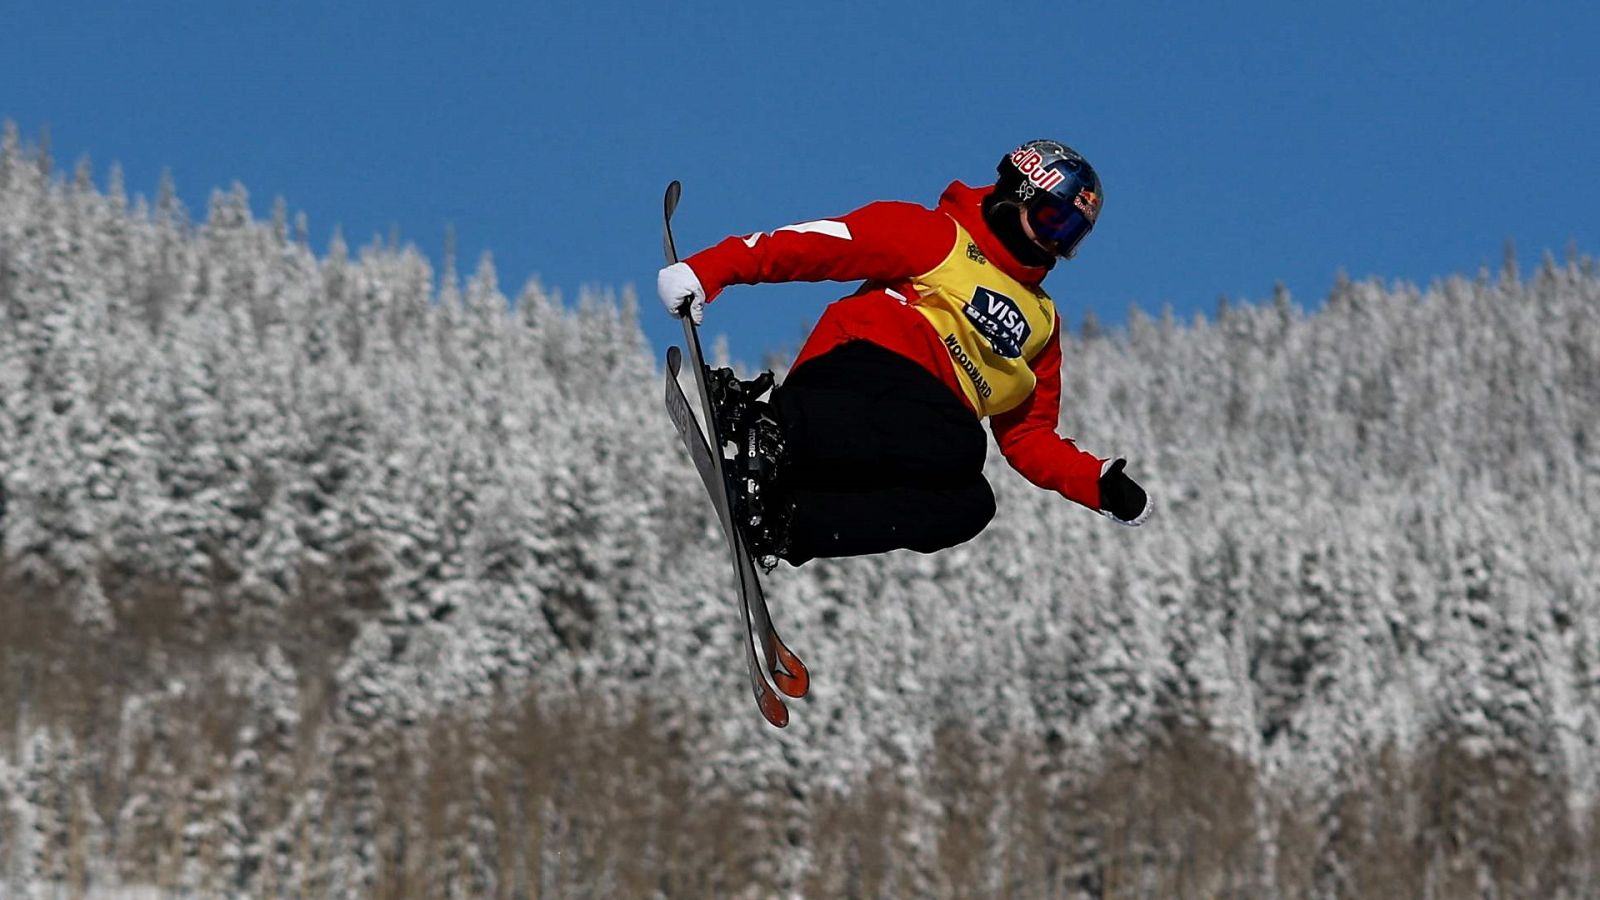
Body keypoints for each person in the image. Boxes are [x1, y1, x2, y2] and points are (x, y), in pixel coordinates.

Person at [658, 139, 1152, 568]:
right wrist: (709, 271)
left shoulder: (1042, 322)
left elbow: (1027, 435)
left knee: (969, 505)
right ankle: (770, 428)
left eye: (1069, 236)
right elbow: (814, 245)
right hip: (859, 374)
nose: (1052, 241)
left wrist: (1095, 483)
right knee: (955, 443)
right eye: (1050, 218)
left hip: (917, 436)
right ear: (1017, 194)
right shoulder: (940, 237)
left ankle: (788, 521)